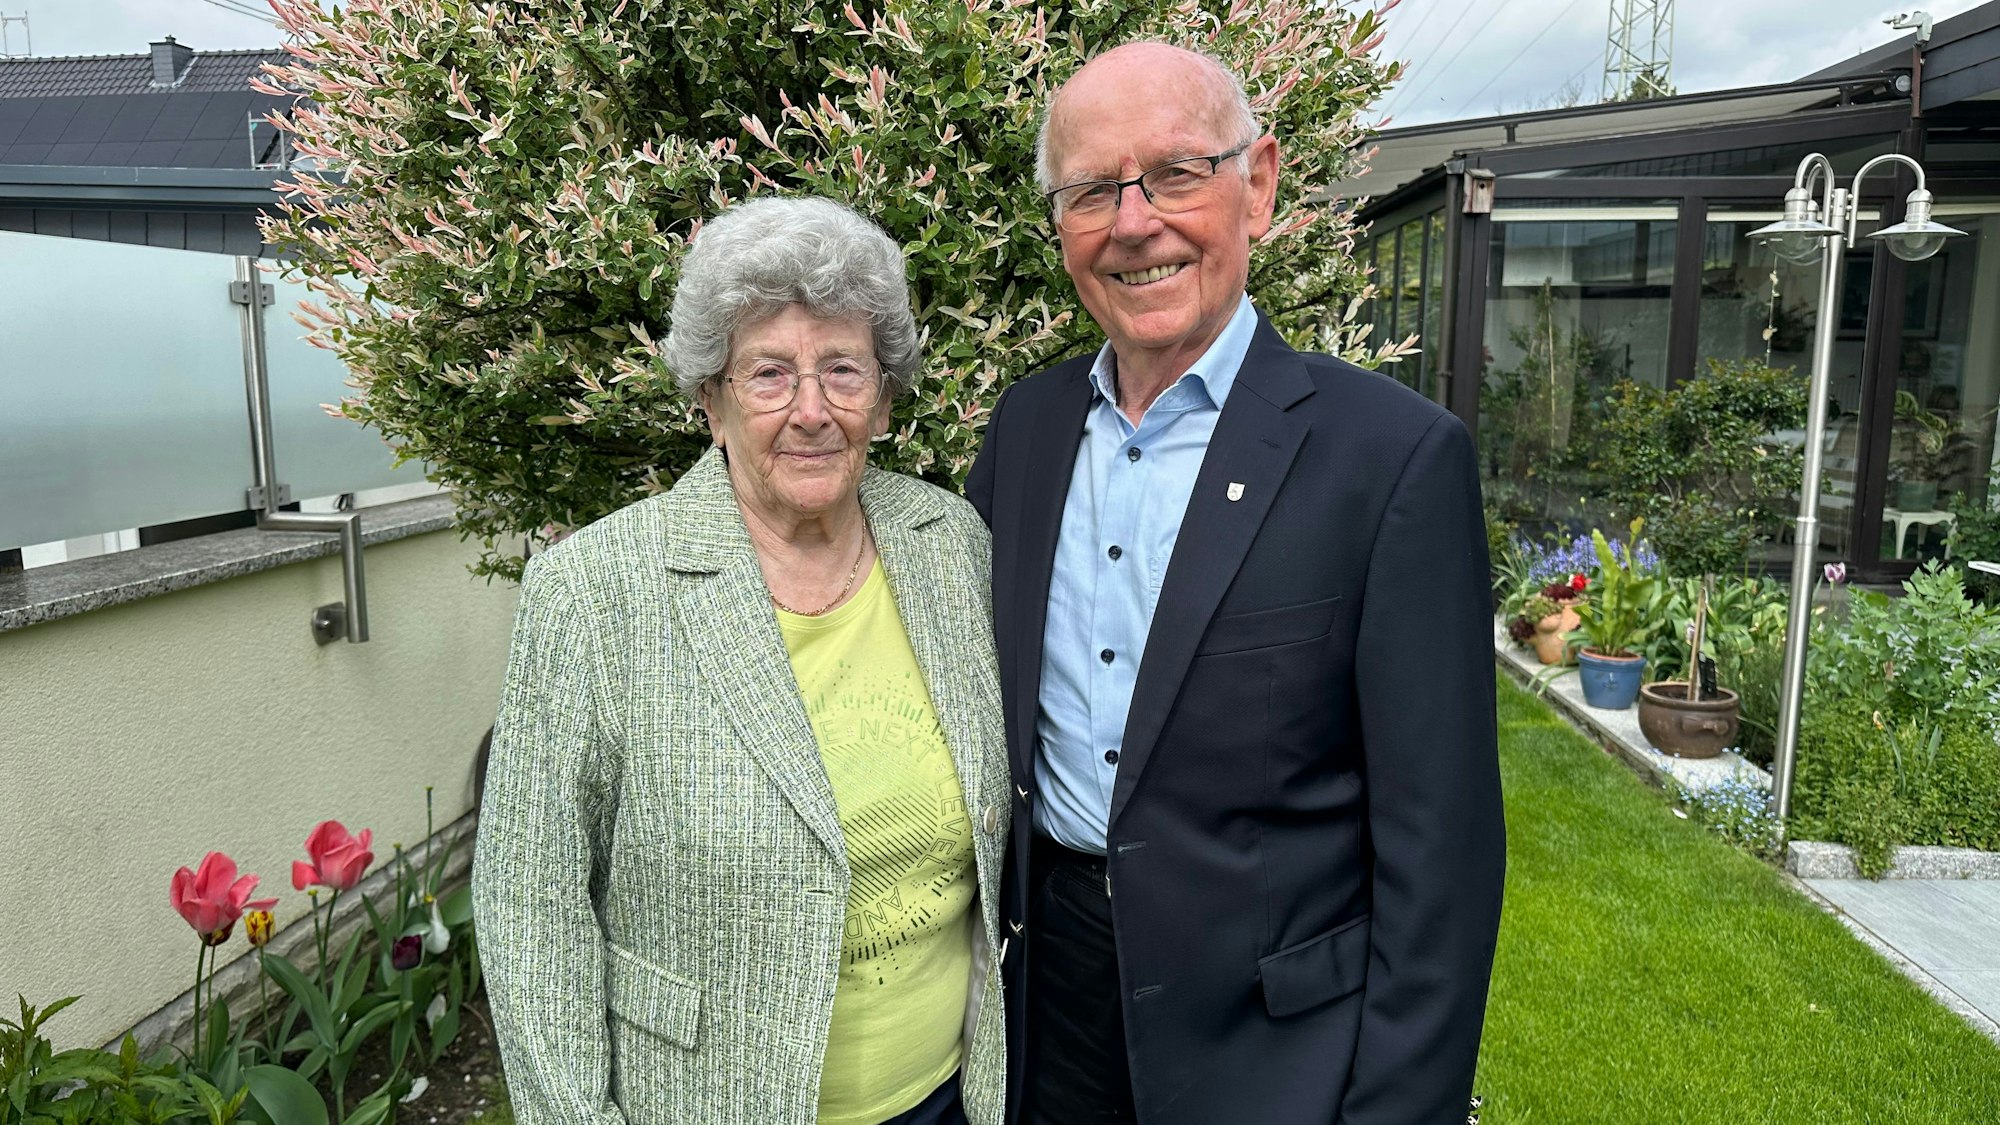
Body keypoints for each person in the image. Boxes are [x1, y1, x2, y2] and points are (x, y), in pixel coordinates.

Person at [965, 42, 1506, 1124]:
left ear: (1255, 184)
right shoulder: (1023, 432)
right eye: (1089, 192)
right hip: (1048, 1020)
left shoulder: (1389, 460)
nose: (1132, 223)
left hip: (1274, 1054)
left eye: (1174, 173)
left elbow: (1439, 856)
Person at [474, 196, 1009, 1125]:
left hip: (949, 1095)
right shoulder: (594, 590)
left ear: (882, 398)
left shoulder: (946, 542)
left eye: (842, 369)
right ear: (710, 400)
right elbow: (531, 905)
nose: (811, 410)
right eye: (769, 374)